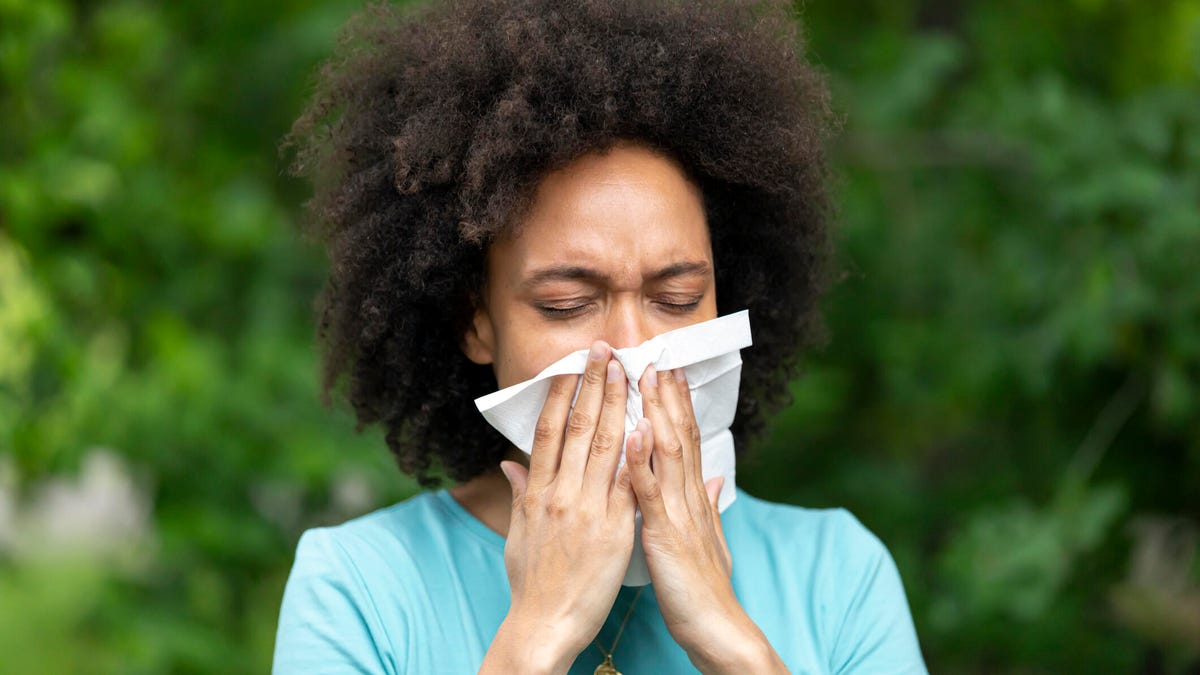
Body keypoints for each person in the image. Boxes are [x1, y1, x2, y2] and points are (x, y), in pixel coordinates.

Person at [273, 0, 927, 672]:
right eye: (567, 303)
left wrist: (728, 638)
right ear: (477, 320)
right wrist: (538, 632)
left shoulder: (838, 578)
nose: (631, 348)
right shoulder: (358, 589)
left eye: (676, 297)